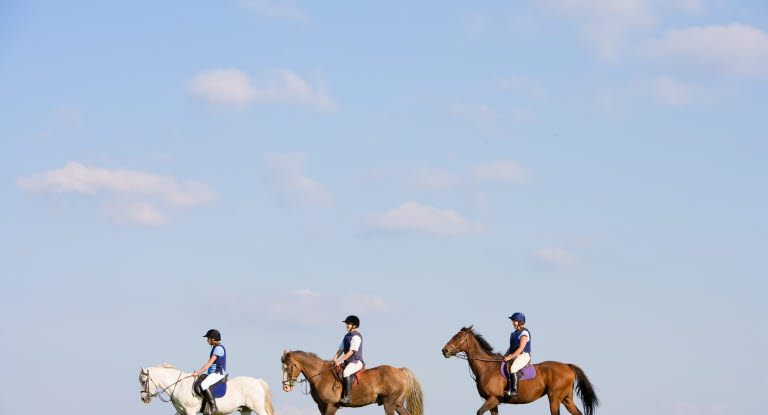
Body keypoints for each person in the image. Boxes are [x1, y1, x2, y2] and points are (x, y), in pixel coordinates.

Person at [193, 329, 227, 415]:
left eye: (208, 338)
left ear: (212, 339)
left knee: (204, 384)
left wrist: (198, 372)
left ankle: (213, 407)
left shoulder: (218, 349)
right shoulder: (215, 348)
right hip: (212, 373)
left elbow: (210, 363)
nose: (207, 340)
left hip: (218, 373)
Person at [331, 315, 364, 404]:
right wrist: (334, 359)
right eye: (347, 324)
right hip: (348, 361)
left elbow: (351, 351)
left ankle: (348, 397)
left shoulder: (356, 336)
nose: (346, 325)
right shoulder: (346, 336)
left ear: (354, 325)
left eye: (348, 324)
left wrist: (340, 361)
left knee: (346, 372)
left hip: (356, 361)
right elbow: (341, 349)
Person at [502, 313, 530, 399]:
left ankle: (514, 391)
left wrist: (510, 357)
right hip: (515, 355)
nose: (513, 323)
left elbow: (521, 348)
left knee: (513, 368)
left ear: (520, 322)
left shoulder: (524, 333)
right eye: (513, 321)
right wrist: (504, 357)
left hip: (523, 356)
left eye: (514, 321)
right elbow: (511, 348)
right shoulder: (515, 333)